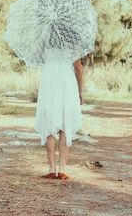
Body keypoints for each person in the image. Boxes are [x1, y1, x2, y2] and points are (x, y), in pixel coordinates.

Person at [34, 48, 84, 180]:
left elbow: (38, 56)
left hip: (49, 78)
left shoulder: (45, 36)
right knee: (65, 119)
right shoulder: (73, 40)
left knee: (49, 121)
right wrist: (80, 91)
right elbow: (78, 67)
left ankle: (51, 168)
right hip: (66, 80)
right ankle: (62, 169)